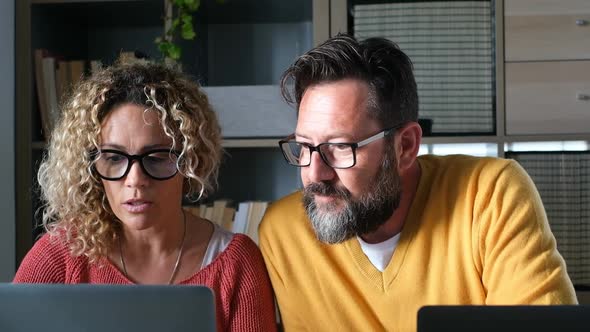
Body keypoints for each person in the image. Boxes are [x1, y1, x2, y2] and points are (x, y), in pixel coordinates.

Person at [258, 34, 577, 332]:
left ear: (406, 146)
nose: (314, 175)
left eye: (341, 147)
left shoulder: (489, 194)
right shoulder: (284, 231)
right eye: (304, 147)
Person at [14, 61, 277, 331]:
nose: (135, 180)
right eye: (114, 158)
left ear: (189, 161)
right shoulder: (62, 254)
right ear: (91, 168)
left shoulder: (235, 262)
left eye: (157, 157)